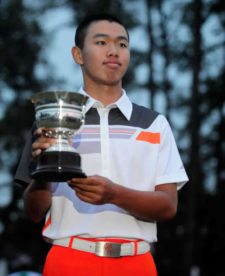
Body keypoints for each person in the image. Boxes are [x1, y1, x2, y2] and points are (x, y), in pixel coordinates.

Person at [15, 13, 188, 276]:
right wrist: (43, 173)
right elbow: (34, 212)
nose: (113, 51)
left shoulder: (154, 123)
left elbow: (168, 206)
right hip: (68, 260)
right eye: (101, 42)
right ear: (78, 55)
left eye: (122, 44)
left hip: (138, 263)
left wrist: (114, 194)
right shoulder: (52, 119)